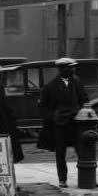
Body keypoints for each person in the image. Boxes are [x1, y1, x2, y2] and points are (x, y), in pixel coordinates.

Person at [36, 57, 88, 188]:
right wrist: (53, 117)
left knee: (82, 152)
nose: (74, 70)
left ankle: (86, 178)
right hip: (60, 126)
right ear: (62, 69)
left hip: (76, 124)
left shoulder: (78, 82)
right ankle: (62, 179)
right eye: (71, 68)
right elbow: (43, 108)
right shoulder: (50, 86)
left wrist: (82, 113)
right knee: (60, 153)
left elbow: (85, 100)